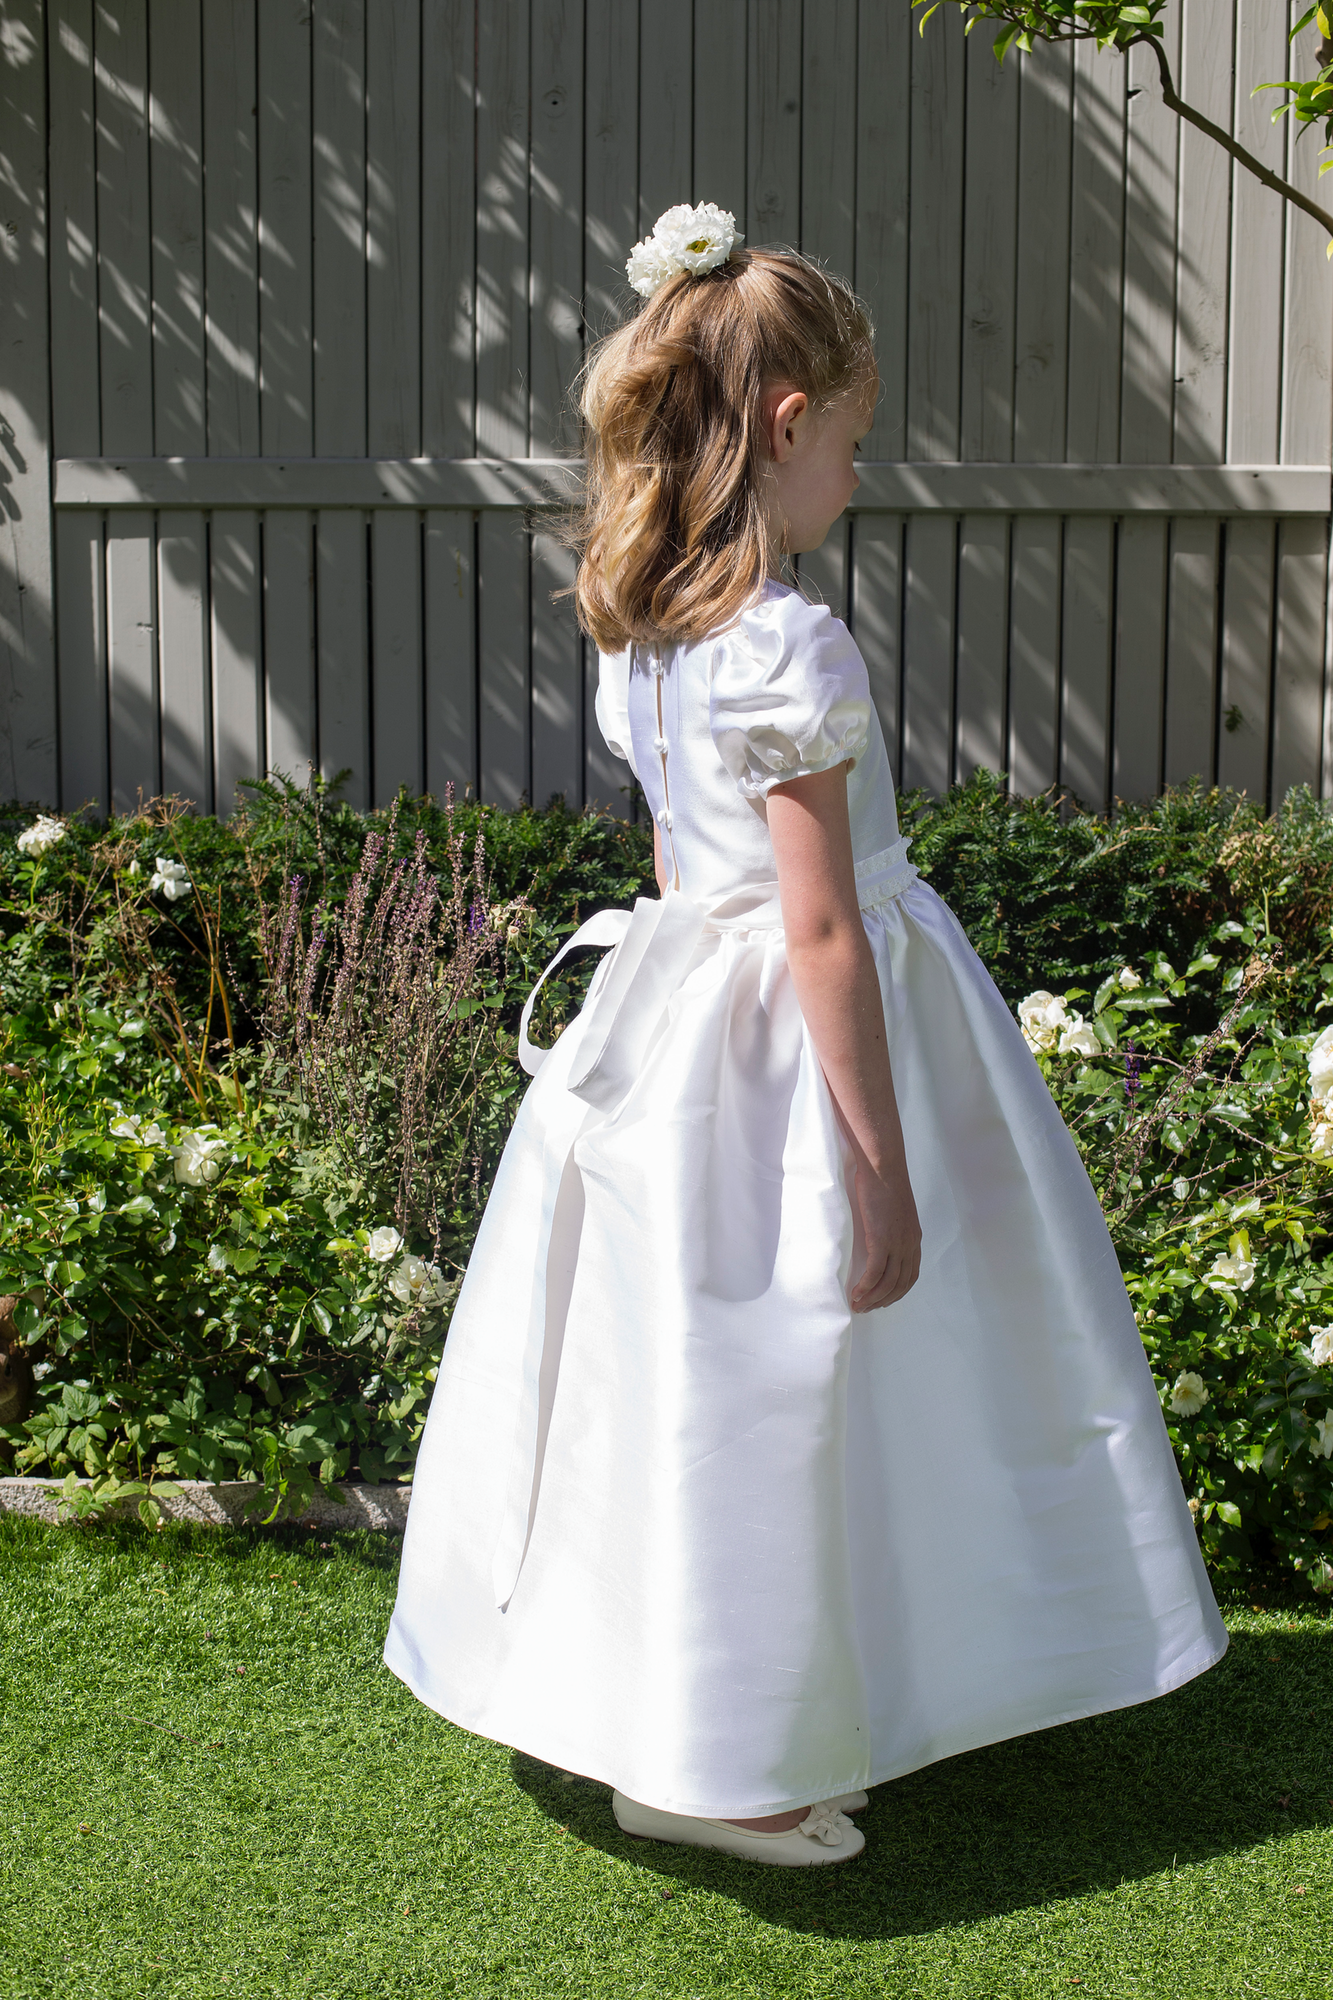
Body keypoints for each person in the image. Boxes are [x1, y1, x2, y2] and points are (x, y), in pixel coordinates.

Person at [384, 204, 1226, 1868]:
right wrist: (875, 1165)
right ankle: (724, 1766)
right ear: (783, 428)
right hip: (807, 1047)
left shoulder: (648, 628)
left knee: (699, 1372)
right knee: (793, 1365)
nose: (856, 472)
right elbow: (821, 924)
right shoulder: (783, 640)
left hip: (682, 1031)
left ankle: (721, 1707)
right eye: (849, 441)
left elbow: (676, 865)